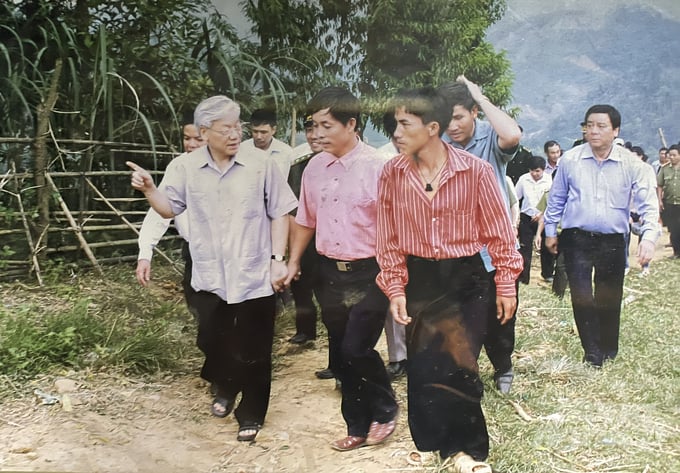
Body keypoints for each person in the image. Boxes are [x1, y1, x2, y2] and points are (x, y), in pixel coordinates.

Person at [127, 95, 297, 442]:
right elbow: (167, 208)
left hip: (253, 274)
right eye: (226, 129)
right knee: (211, 338)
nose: (236, 135)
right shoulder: (185, 167)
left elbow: (280, 211)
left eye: (238, 126)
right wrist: (148, 189)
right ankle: (226, 384)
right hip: (209, 275)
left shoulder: (262, 164)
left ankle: (251, 412)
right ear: (205, 133)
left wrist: (277, 260)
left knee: (256, 346)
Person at [376, 87, 522, 473]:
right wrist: (395, 288)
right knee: (425, 367)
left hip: (467, 276)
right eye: (396, 123)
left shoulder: (475, 171)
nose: (396, 132)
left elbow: (499, 232)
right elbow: (387, 238)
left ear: (432, 127)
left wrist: (506, 284)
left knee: (461, 362)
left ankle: (470, 452)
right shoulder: (392, 173)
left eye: (405, 123)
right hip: (420, 278)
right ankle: (442, 446)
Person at [284, 86, 398, 452]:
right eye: (312, 125)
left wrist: (397, 278)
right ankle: (356, 425)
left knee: (356, 348)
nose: (316, 134)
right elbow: (305, 220)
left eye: (325, 125)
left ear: (351, 124)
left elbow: (398, 227)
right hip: (329, 273)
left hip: (371, 272)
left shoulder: (379, 168)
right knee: (340, 351)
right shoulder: (313, 168)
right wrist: (293, 261)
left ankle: (385, 407)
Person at [544, 104, 660, 367]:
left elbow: (648, 206)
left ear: (615, 130)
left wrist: (649, 239)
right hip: (577, 237)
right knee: (581, 295)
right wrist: (551, 231)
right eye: (589, 125)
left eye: (601, 126)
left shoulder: (631, 164)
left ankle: (608, 348)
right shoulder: (571, 160)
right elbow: (557, 198)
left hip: (612, 240)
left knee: (609, 295)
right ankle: (592, 352)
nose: (593, 131)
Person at [437, 75, 522, 394]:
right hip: (456, 249)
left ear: (474, 112)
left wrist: (479, 96)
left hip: (494, 248)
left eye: (458, 116)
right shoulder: (439, 146)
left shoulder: (490, 139)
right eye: (446, 118)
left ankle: (503, 366)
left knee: (500, 316)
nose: (452, 125)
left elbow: (512, 133)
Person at [135, 110, 204, 312]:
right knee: (197, 303)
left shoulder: (232, 166)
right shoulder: (178, 166)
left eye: (198, 139)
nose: (191, 145)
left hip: (228, 250)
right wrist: (145, 253)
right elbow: (160, 210)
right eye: (186, 138)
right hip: (194, 248)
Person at [286, 115, 323, 346]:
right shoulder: (298, 167)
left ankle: (335, 358)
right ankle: (305, 331)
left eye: (318, 129)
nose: (313, 136)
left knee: (330, 297)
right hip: (304, 237)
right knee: (300, 286)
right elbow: (292, 210)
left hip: (331, 241)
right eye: (309, 130)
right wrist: (292, 252)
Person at [376, 111, 407, 381]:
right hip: (393, 237)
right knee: (393, 295)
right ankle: (398, 356)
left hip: (422, 239)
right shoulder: (382, 159)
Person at [515, 155, 552, 284]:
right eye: (532, 170)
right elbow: (516, 197)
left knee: (545, 247)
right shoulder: (524, 179)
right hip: (527, 216)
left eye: (537, 171)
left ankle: (547, 274)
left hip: (543, 216)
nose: (534, 174)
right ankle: (523, 277)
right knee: (525, 248)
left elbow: (551, 200)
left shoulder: (549, 180)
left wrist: (542, 213)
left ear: (543, 170)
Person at [240, 108, 293, 178]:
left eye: (263, 132)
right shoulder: (241, 150)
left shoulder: (286, 152)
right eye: (255, 131)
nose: (259, 137)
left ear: (273, 130)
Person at [657, 144, 680, 258]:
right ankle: (676, 252)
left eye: (674, 155)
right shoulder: (665, 169)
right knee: (673, 228)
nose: (671, 157)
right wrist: (659, 200)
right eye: (670, 155)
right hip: (670, 203)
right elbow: (659, 185)